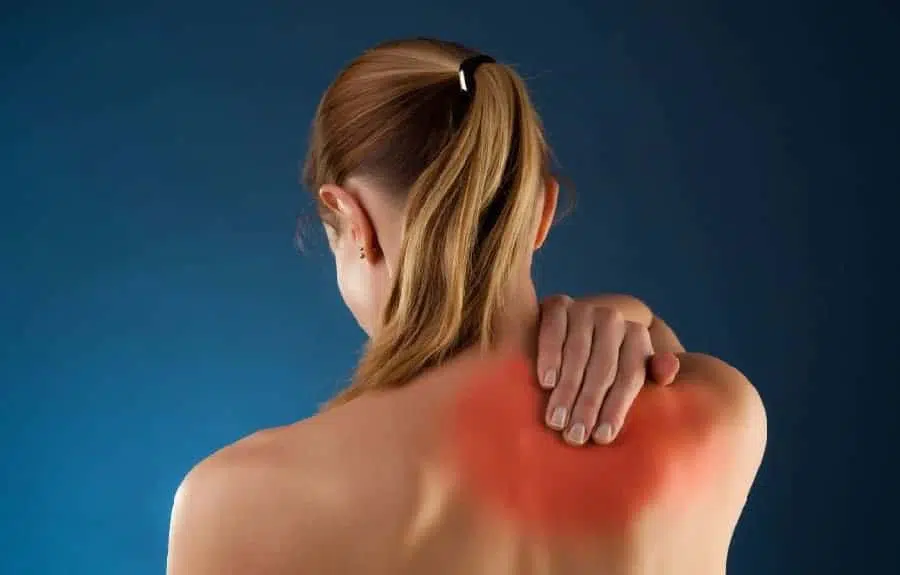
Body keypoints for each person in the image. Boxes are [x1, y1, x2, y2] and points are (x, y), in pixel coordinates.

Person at [166, 38, 766, 575]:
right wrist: (634, 311)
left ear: (352, 222)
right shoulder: (721, 413)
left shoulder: (241, 499)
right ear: (541, 215)